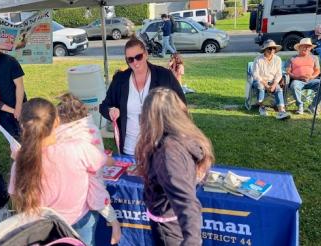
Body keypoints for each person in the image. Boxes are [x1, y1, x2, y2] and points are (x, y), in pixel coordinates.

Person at [9, 98, 105, 246]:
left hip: (44, 228)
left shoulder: (20, 163)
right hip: (80, 220)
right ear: (57, 121)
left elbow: (15, 195)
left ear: (22, 126)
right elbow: (100, 162)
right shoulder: (79, 148)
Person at [135, 87, 214, 245]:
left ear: (149, 118)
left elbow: (187, 203)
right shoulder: (186, 136)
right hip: (171, 220)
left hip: (169, 228)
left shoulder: (168, 153)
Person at [99, 37, 186, 155]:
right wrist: (110, 111)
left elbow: (181, 106)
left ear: (145, 54)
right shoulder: (120, 79)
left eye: (138, 57)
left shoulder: (164, 76)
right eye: (130, 59)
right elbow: (104, 106)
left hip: (159, 151)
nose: (135, 62)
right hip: (129, 150)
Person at [56, 93, 121, 245]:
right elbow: (94, 182)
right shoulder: (89, 137)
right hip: (82, 212)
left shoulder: (51, 139)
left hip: (56, 213)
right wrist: (113, 220)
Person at [286, 38, 321, 115]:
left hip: (311, 80)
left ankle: (312, 106)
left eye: (308, 47)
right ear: (299, 47)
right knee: (294, 86)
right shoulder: (292, 58)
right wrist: (298, 77)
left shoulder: (314, 58)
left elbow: (317, 70)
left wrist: (311, 77)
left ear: (310, 48)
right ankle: (300, 106)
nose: (306, 48)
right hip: (298, 80)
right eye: (304, 46)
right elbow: (288, 72)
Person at [252, 40, 290, 120]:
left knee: (279, 89)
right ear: (265, 49)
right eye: (269, 48)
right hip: (261, 80)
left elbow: (279, 74)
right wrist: (265, 84)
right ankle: (261, 107)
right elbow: (255, 74)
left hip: (272, 81)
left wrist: (274, 84)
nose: (272, 50)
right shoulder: (258, 59)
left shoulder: (278, 59)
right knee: (260, 86)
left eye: (273, 48)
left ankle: (281, 111)